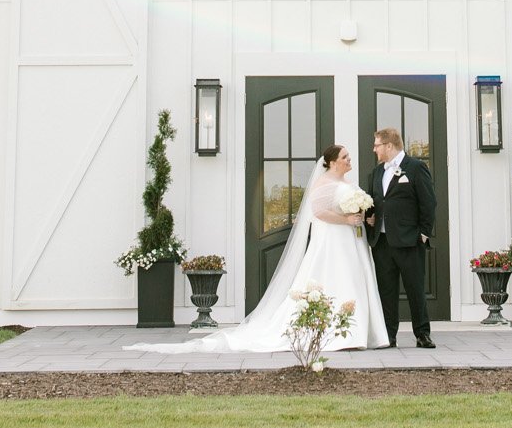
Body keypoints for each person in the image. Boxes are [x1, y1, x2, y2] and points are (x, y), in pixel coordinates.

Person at [126, 143, 389, 354]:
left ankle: (356, 331)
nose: (349, 159)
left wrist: (364, 216)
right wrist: (345, 219)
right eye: (345, 157)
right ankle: (333, 333)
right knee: (333, 278)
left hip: (351, 240)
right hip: (333, 241)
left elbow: (352, 206)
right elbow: (318, 212)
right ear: (332, 162)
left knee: (352, 279)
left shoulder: (347, 183)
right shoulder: (324, 183)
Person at [366, 126, 436, 349]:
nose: (374, 149)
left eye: (377, 145)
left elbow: (428, 203)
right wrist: (370, 219)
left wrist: (423, 234)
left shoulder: (415, 168)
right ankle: (389, 335)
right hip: (383, 243)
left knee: (415, 289)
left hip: (409, 241)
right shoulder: (376, 173)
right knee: (386, 291)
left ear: (389, 145)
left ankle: (422, 334)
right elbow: (374, 203)